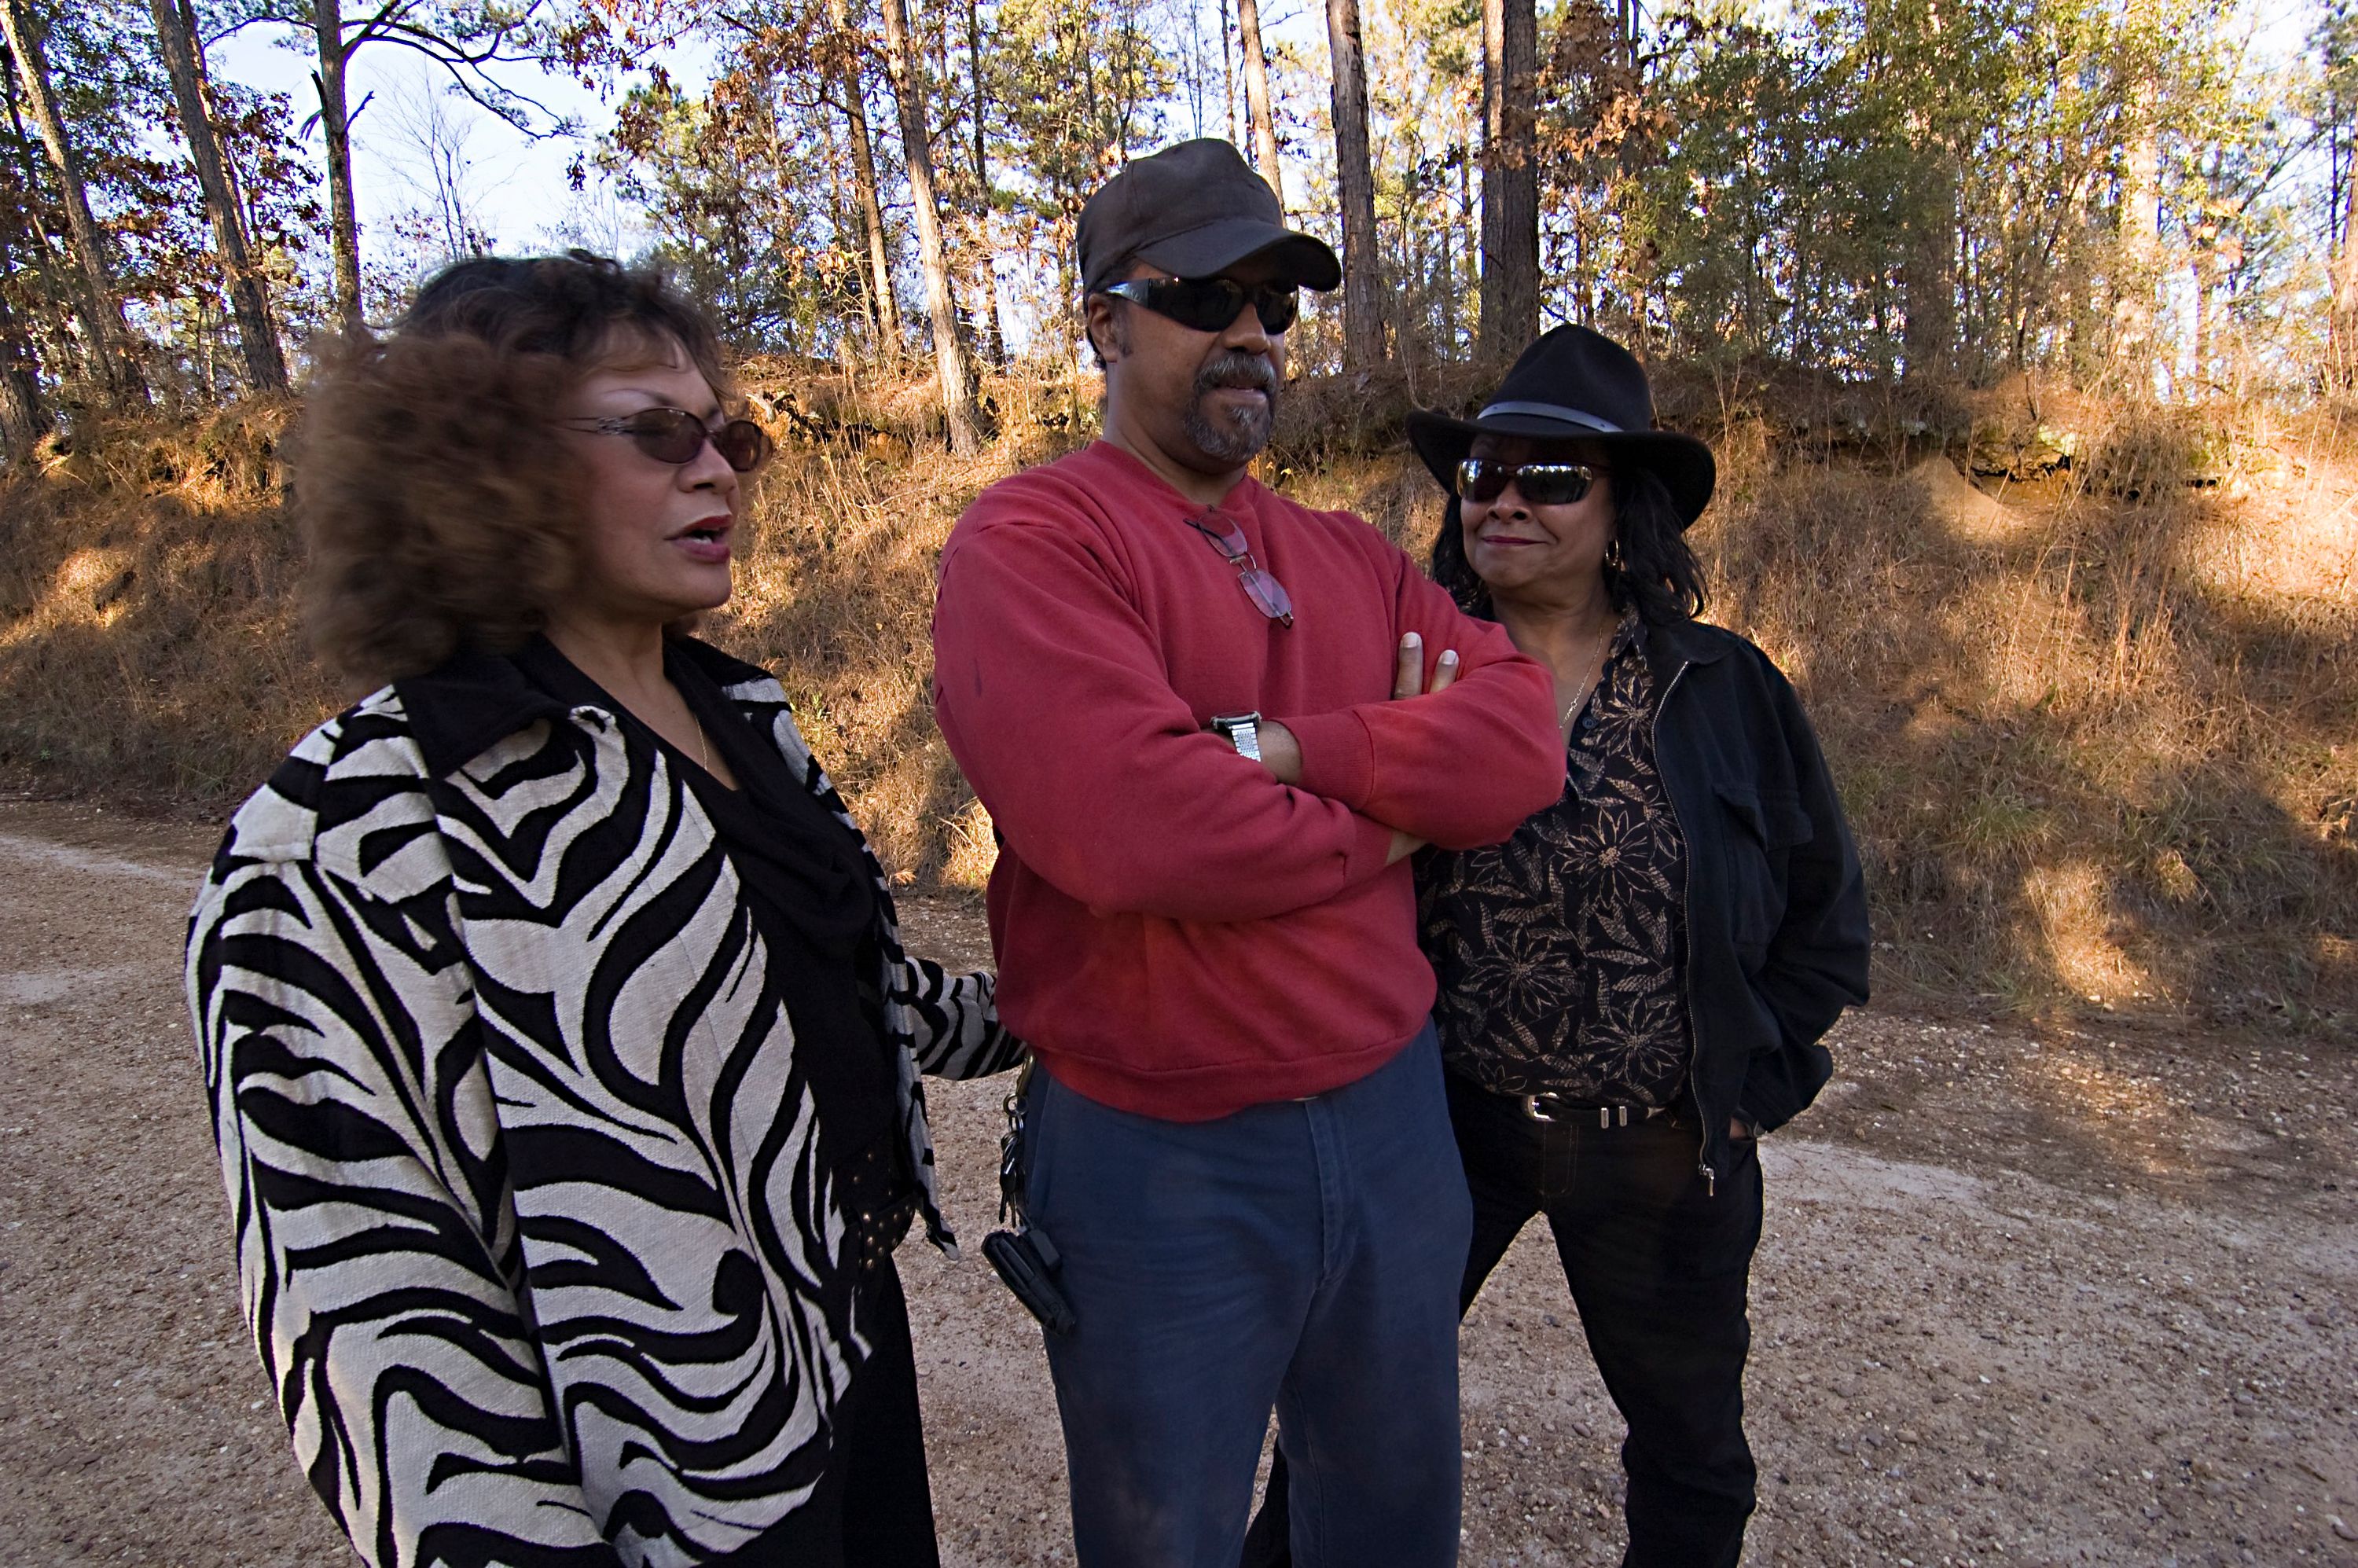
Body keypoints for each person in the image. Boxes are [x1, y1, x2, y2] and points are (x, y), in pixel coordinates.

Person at [183, 252, 1023, 1568]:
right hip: (660, 1474)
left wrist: (1040, 1011)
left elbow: (833, 979)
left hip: (844, 1344)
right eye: (657, 431)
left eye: (728, 432)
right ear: (487, 461)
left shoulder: (746, 722)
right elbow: (374, 1319)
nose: (719, 469)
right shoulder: (346, 835)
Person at [928, 139, 1565, 1568]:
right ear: (1104, 319)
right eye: (1207, 295)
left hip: (1397, 1126)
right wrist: (1407, 799)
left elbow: (1523, 744)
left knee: (1392, 1529)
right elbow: (1141, 831)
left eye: (1276, 304)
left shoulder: (1355, 555)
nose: (1252, 335)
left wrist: (1295, 752)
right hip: (1162, 1158)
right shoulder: (1034, 542)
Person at [1245, 323, 1872, 1567]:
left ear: (1623, 510)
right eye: (1483, 475)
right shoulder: (1410, 671)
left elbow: (1824, 909)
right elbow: (1307, 864)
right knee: (1341, 1424)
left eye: (1550, 478)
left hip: (1662, 1146)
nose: (1504, 501)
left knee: (1690, 1449)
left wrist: (1748, 1087)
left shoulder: (1724, 688)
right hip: (1444, 1126)